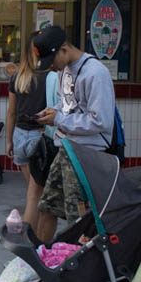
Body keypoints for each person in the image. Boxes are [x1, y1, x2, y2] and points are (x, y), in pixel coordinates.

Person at [33, 25, 115, 244]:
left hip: (88, 154)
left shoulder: (95, 73)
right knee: (47, 206)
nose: (52, 68)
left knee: (77, 217)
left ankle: (76, 269)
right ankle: (41, 260)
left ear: (63, 50)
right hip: (66, 148)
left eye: (52, 61)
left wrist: (59, 119)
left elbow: (101, 121)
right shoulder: (64, 70)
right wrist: (54, 111)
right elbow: (67, 104)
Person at [5, 32, 46, 233]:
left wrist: (9, 140)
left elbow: (11, 112)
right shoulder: (52, 76)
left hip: (20, 135)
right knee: (38, 193)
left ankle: (33, 233)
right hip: (41, 136)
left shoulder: (17, 77)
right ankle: (36, 235)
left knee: (32, 190)